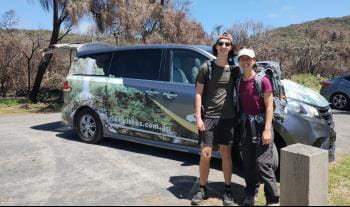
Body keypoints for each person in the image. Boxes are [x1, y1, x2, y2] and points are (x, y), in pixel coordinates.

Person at [191, 32, 238, 206]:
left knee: (226, 154)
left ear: (231, 48)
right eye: (221, 43)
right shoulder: (207, 67)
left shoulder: (234, 70)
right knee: (206, 154)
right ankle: (202, 189)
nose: (224, 46)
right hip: (209, 117)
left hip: (228, 118)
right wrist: (198, 117)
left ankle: (227, 190)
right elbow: (198, 93)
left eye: (227, 44)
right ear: (216, 46)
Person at [237, 48, 280, 206]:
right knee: (248, 163)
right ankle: (250, 193)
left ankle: (272, 199)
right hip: (246, 126)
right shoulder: (239, 80)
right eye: (242, 59)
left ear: (254, 61)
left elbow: (269, 106)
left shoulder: (263, 80)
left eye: (248, 59)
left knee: (263, 164)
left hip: (262, 126)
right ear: (239, 62)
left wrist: (267, 129)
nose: (245, 61)